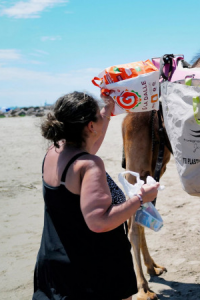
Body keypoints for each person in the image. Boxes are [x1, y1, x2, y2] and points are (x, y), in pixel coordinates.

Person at [34, 92, 160, 300]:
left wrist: (106, 112)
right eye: (98, 116)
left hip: (55, 260)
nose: (102, 118)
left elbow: (88, 145)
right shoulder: (89, 165)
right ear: (90, 126)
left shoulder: (54, 152)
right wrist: (140, 198)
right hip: (94, 270)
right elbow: (99, 222)